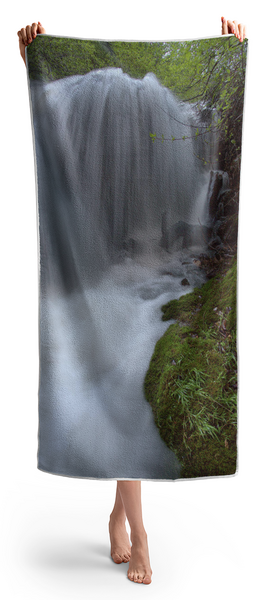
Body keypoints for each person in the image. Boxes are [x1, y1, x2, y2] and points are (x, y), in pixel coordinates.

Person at [17, 17, 246, 585]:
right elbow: (60, 132)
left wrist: (235, 54)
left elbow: (202, 137)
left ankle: (123, 520)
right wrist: (34, 63)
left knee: (126, 376)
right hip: (109, 276)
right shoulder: (103, 125)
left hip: (142, 276)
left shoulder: (160, 122)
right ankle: (137, 533)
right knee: (118, 372)